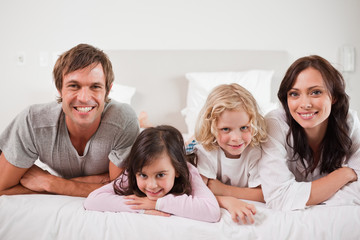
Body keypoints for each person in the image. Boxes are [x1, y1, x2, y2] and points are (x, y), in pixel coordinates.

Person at [0, 43, 140, 197]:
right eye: (74, 86)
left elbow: (120, 190)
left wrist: (50, 182)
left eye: (95, 87)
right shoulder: (33, 121)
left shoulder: (123, 120)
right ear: (60, 89)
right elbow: (3, 187)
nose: (84, 98)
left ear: (107, 90)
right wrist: (93, 183)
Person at [259, 55, 359, 211]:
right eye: (294, 94)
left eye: (315, 92)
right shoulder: (274, 124)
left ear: (333, 96)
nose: (305, 104)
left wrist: (307, 198)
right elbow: (278, 197)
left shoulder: (349, 121)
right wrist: (344, 175)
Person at [84, 125, 221, 223]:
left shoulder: (188, 171)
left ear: (177, 170)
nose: (151, 185)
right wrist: (141, 208)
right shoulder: (133, 171)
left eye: (160, 175)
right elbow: (92, 200)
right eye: (143, 175)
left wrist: (156, 204)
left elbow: (212, 211)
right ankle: (143, 123)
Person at [193, 83, 267, 224]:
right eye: (226, 129)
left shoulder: (254, 151)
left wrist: (224, 190)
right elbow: (199, 194)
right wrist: (227, 201)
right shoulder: (206, 151)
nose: (236, 138)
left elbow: (264, 194)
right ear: (212, 127)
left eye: (244, 127)